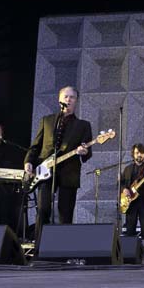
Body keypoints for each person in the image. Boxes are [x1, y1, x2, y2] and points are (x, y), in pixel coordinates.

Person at [24, 86, 92, 241]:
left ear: (76, 101)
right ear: (59, 99)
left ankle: (63, 247)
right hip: (44, 171)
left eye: (72, 97)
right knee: (43, 210)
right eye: (66, 96)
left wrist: (84, 151)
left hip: (69, 172)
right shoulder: (47, 121)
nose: (68, 99)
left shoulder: (83, 125)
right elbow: (36, 145)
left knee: (65, 212)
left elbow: (88, 151)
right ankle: (40, 247)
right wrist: (28, 161)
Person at [120, 143, 144, 254]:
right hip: (131, 203)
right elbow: (122, 184)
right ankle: (129, 255)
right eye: (137, 153)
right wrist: (124, 190)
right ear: (133, 154)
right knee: (130, 230)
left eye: (141, 153)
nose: (139, 155)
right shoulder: (127, 169)